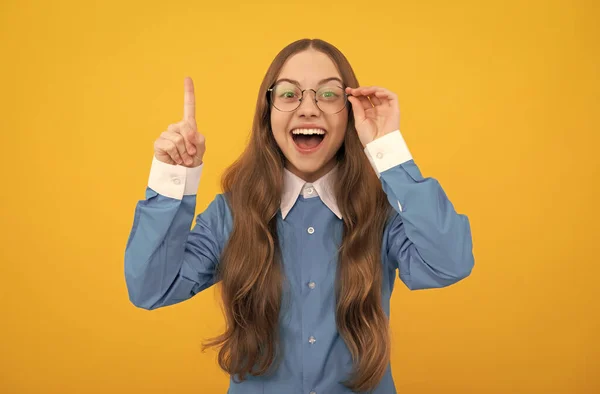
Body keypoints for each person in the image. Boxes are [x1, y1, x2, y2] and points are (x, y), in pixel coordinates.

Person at [124, 38, 474, 394]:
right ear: (268, 112)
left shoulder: (382, 212)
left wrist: (388, 149)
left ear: (351, 112)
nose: (308, 109)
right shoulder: (230, 215)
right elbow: (152, 289)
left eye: (328, 94)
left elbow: (449, 262)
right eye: (290, 95)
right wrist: (172, 180)